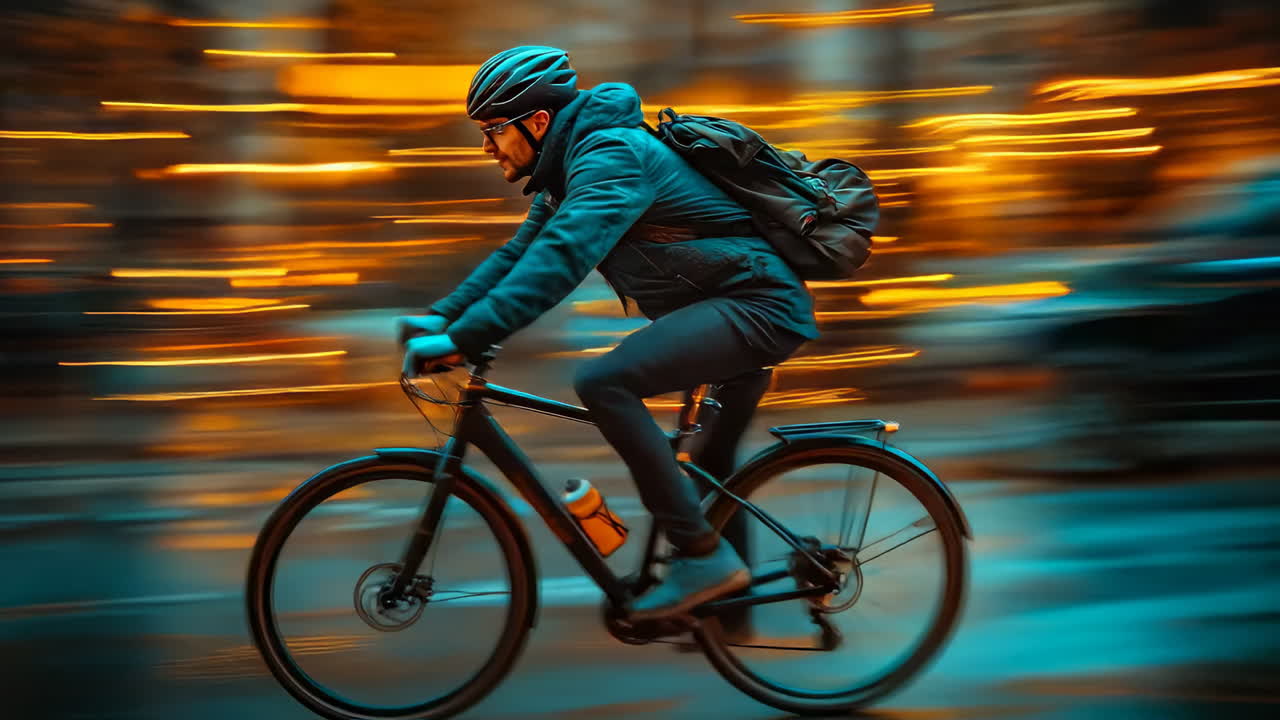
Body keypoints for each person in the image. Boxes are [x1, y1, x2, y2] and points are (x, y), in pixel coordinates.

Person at [397, 46, 819, 623]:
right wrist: (442, 318)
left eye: (494, 129)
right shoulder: (569, 169)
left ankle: (703, 559)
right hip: (728, 307)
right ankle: (727, 615)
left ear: (537, 122)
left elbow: (562, 258)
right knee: (709, 464)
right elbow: (519, 256)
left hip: (757, 308)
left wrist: (463, 340)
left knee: (604, 381)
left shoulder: (610, 157)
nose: (487, 145)